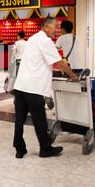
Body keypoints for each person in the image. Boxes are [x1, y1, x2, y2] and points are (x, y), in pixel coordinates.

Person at [13, 16, 77, 159]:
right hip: (33, 87)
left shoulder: (33, 38)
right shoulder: (45, 40)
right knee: (39, 120)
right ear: (46, 27)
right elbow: (59, 62)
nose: (57, 30)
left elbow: (40, 61)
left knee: (19, 119)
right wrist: (72, 75)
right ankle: (45, 149)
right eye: (55, 27)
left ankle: (19, 148)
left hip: (21, 85)